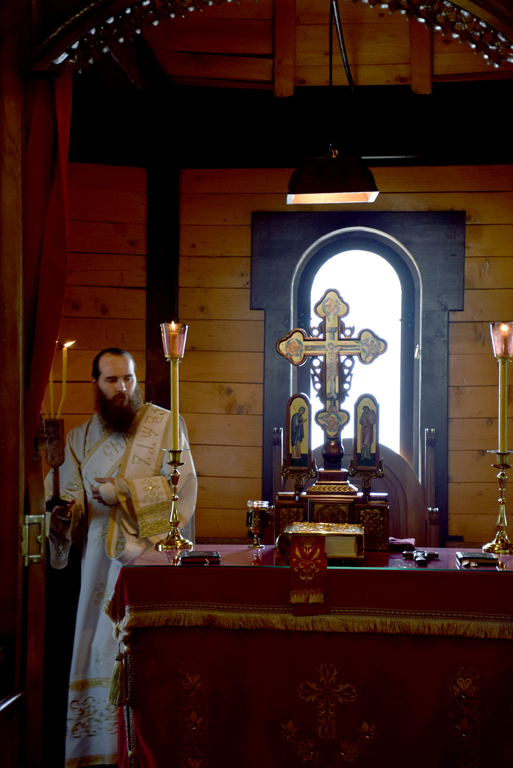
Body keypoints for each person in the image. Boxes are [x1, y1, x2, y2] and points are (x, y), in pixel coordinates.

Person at [46, 348, 197, 768]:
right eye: (112, 380)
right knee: (98, 645)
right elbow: (69, 499)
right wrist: (62, 514)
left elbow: (182, 488)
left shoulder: (166, 425)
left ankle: (149, 750)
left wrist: (122, 492)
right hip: (98, 567)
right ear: (95, 384)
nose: (122, 388)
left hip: (148, 562)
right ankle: (100, 751)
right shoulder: (78, 439)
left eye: (128, 378)